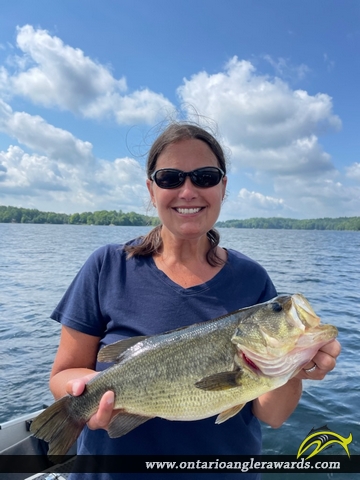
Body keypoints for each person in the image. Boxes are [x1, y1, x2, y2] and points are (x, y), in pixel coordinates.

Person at [49, 122, 341, 479]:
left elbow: (273, 415)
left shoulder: (252, 279)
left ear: (223, 187)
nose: (188, 191)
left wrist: (296, 365)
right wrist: (85, 399)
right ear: (151, 190)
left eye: (204, 176)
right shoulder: (106, 267)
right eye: (170, 178)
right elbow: (63, 374)